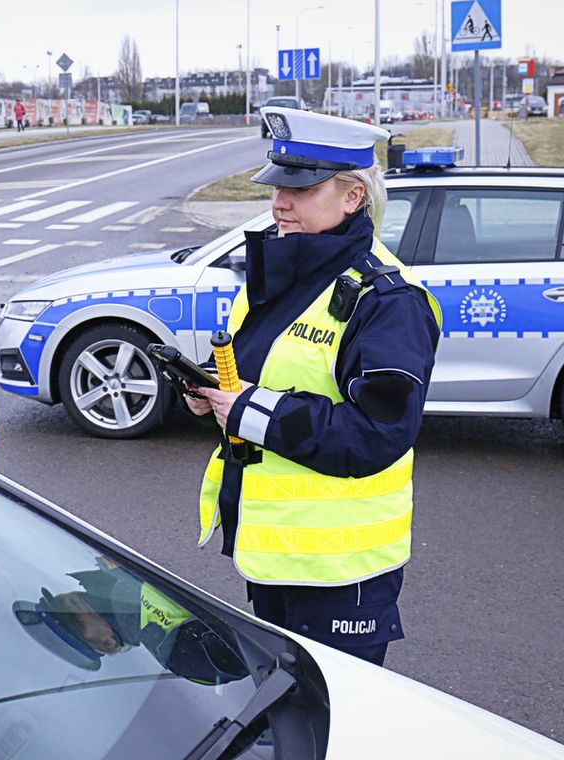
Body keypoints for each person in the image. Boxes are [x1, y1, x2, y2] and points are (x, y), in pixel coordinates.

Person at [184, 107, 442, 667]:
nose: (279, 203)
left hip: (340, 570)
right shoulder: (289, 271)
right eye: (277, 186)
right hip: (275, 556)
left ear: (354, 197)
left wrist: (247, 410)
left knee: (334, 726)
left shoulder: (388, 300)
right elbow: (263, 376)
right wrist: (211, 395)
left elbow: (374, 435)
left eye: (300, 189)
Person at [13, 556, 248, 684]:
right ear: (107, 644)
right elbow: (253, 655)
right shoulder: (181, 656)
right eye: (71, 618)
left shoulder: (111, 567)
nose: (71, 600)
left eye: (60, 601)